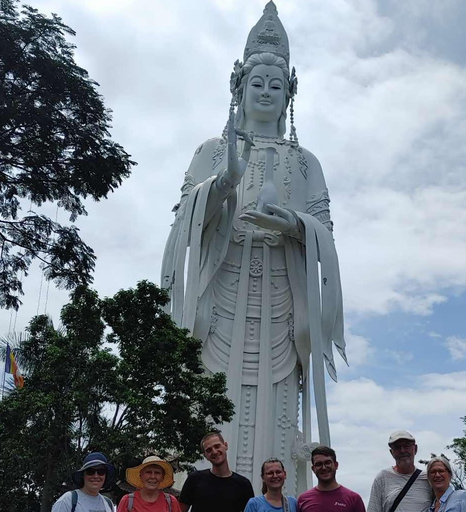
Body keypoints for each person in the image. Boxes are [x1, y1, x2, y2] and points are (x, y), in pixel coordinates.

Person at [160, 0, 346, 493]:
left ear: (290, 93)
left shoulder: (305, 163)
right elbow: (184, 223)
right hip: (222, 289)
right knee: (208, 390)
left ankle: (275, 492)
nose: (266, 92)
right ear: (238, 86)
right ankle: (199, 487)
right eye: (257, 83)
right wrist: (222, 186)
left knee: (279, 400)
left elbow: (324, 230)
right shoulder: (211, 150)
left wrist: (292, 223)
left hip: (281, 293)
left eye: (276, 85)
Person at [178, 432, 254, 512]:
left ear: (225, 445)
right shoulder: (194, 479)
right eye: (209, 450)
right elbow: (180, 510)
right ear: (205, 456)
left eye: (217, 446)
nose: (214, 452)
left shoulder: (243, 484)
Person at [368, 430, 432, 512]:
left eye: (406, 446)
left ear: (415, 449)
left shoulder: (428, 479)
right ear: (392, 453)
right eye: (397, 447)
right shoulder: (382, 478)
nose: (402, 450)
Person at [297, 446, 365, 512]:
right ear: (313, 469)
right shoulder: (303, 500)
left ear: (336, 465)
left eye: (327, 463)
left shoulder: (353, 499)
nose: (323, 467)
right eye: (319, 464)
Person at [52, 452, 116, 512]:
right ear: (83, 475)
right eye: (90, 471)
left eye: (101, 472)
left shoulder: (108, 504)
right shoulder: (67, 500)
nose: (96, 476)